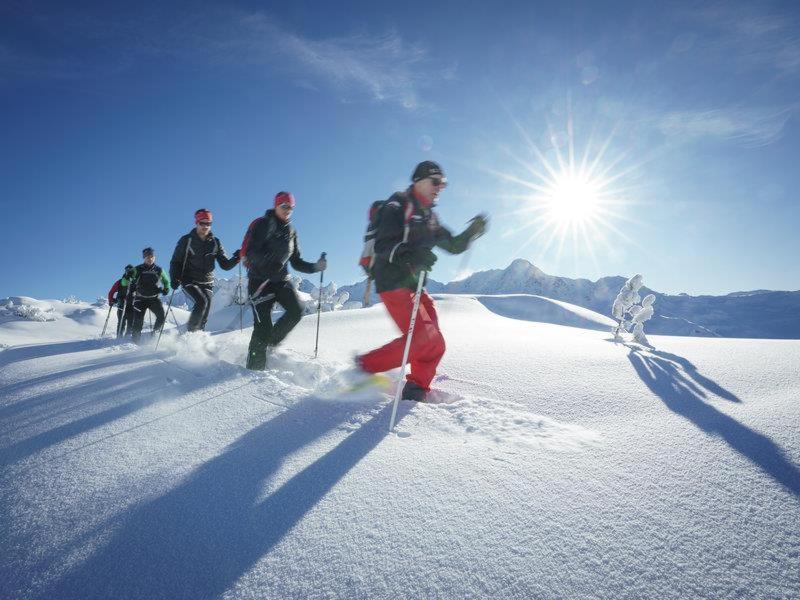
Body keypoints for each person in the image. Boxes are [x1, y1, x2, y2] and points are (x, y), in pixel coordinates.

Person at [356, 161, 487, 402]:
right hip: (392, 282)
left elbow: (454, 245)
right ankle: (363, 366)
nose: (440, 187)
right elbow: (385, 245)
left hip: (415, 285)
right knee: (423, 339)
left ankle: (416, 390)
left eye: (443, 184)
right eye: (435, 181)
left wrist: (472, 232)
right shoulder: (397, 204)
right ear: (418, 180)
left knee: (435, 342)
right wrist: (412, 254)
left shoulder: (430, 218)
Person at [241, 191, 326, 370]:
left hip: (280, 281)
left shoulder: (292, 231)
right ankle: (254, 368)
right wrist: (268, 264)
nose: (288, 210)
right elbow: (250, 252)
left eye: (291, 207)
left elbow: (296, 262)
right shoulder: (263, 224)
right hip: (260, 282)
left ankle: (270, 344)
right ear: (276, 205)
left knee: (296, 311)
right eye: (284, 206)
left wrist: (315, 267)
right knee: (262, 327)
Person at [169, 208, 241, 332]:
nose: (205, 226)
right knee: (201, 302)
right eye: (202, 223)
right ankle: (190, 335)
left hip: (207, 283)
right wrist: (174, 278)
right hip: (189, 279)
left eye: (208, 223)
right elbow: (175, 262)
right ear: (196, 223)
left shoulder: (215, 242)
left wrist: (236, 257)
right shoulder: (187, 240)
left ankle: (198, 337)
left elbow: (225, 265)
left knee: (205, 310)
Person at [129, 247, 171, 344]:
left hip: (154, 299)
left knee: (161, 317)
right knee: (138, 321)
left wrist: (166, 288)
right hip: (140, 299)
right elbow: (125, 281)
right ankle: (135, 342)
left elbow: (166, 281)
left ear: (154, 257)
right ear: (144, 258)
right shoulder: (137, 269)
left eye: (151, 256)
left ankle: (154, 334)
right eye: (147, 257)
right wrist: (128, 277)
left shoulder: (159, 270)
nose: (150, 258)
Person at [107, 264, 135, 338]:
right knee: (122, 321)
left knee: (130, 321)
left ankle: (126, 338)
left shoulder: (135, 282)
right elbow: (111, 292)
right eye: (127, 270)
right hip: (122, 303)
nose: (128, 272)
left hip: (131, 304)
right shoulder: (120, 282)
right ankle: (119, 337)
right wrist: (111, 301)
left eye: (130, 270)